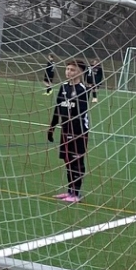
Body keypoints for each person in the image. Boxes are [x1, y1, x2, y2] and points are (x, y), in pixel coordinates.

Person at [48, 59, 91, 203]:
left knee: (76, 160)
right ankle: (69, 191)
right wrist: (52, 127)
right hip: (65, 130)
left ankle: (76, 194)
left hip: (79, 131)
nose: (68, 72)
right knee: (67, 160)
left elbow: (80, 113)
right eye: (67, 69)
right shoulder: (63, 87)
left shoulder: (82, 90)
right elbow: (58, 108)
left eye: (73, 70)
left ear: (81, 72)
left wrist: (74, 132)